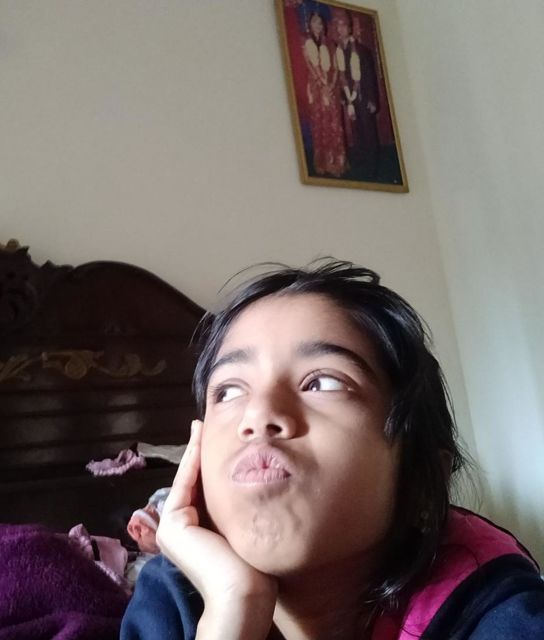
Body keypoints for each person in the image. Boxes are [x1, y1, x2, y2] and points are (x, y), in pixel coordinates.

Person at [120, 260, 544, 639]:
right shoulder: (168, 603)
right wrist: (233, 610)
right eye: (229, 390)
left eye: (322, 382)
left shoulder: (500, 615)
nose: (258, 414)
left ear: (419, 481)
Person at [333, 10, 380, 180]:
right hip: (350, 100)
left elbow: (370, 77)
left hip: (363, 97)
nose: (340, 29)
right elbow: (341, 77)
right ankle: (361, 160)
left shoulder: (361, 50)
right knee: (357, 131)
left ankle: (373, 166)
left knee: (368, 131)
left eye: (343, 25)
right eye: (338, 26)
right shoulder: (338, 52)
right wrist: (343, 97)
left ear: (350, 28)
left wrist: (372, 100)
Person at [302, 13, 347, 178]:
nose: (318, 25)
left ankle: (337, 162)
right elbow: (310, 66)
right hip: (317, 88)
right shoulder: (306, 43)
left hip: (331, 88)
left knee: (334, 122)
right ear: (310, 25)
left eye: (320, 23)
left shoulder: (330, 44)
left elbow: (336, 67)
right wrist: (322, 85)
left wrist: (332, 85)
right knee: (321, 122)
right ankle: (323, 162)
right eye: (315, 22)